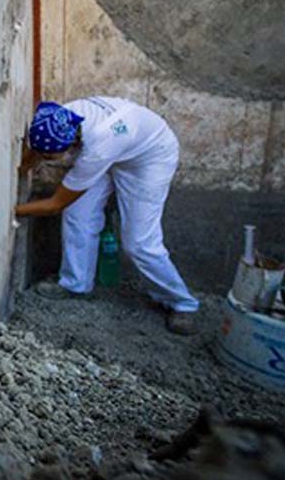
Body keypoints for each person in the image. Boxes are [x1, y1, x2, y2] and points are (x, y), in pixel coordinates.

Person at [14, 97, 199, 335]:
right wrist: (21, 167)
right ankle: (76, 283)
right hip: (121, 145)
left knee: (139, 242)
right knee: (78, 213)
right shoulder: (59, 119)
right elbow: (39, 148)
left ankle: (182, 303)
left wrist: (13, 210)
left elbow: (55, 204)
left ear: (71, 143)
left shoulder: (97, 149)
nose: (48, 161)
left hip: (149, 157)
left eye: (52, 157)